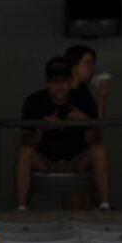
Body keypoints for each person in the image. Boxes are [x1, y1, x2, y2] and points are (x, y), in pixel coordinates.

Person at [15, 56, 110, 211]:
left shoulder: (82, 100)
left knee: (99, 151)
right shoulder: (34, 101)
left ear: (70, 80)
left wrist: (84, 122)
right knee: (24, 152)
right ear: (47, 82)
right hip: (46, 162)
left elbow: (95, 141)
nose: (60, 86)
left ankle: (104, 205)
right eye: (54, 81)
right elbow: (26, 142)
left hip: (75, 162)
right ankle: (21, 208)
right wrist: (41, 128)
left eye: (64, 81)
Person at [65, 45, 112, 120]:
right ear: (74, 66)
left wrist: (102, 97)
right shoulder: (62, 94)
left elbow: (98, 128)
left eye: (93, 63)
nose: (92, 67)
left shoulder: (83, 90)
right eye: (88, 63)